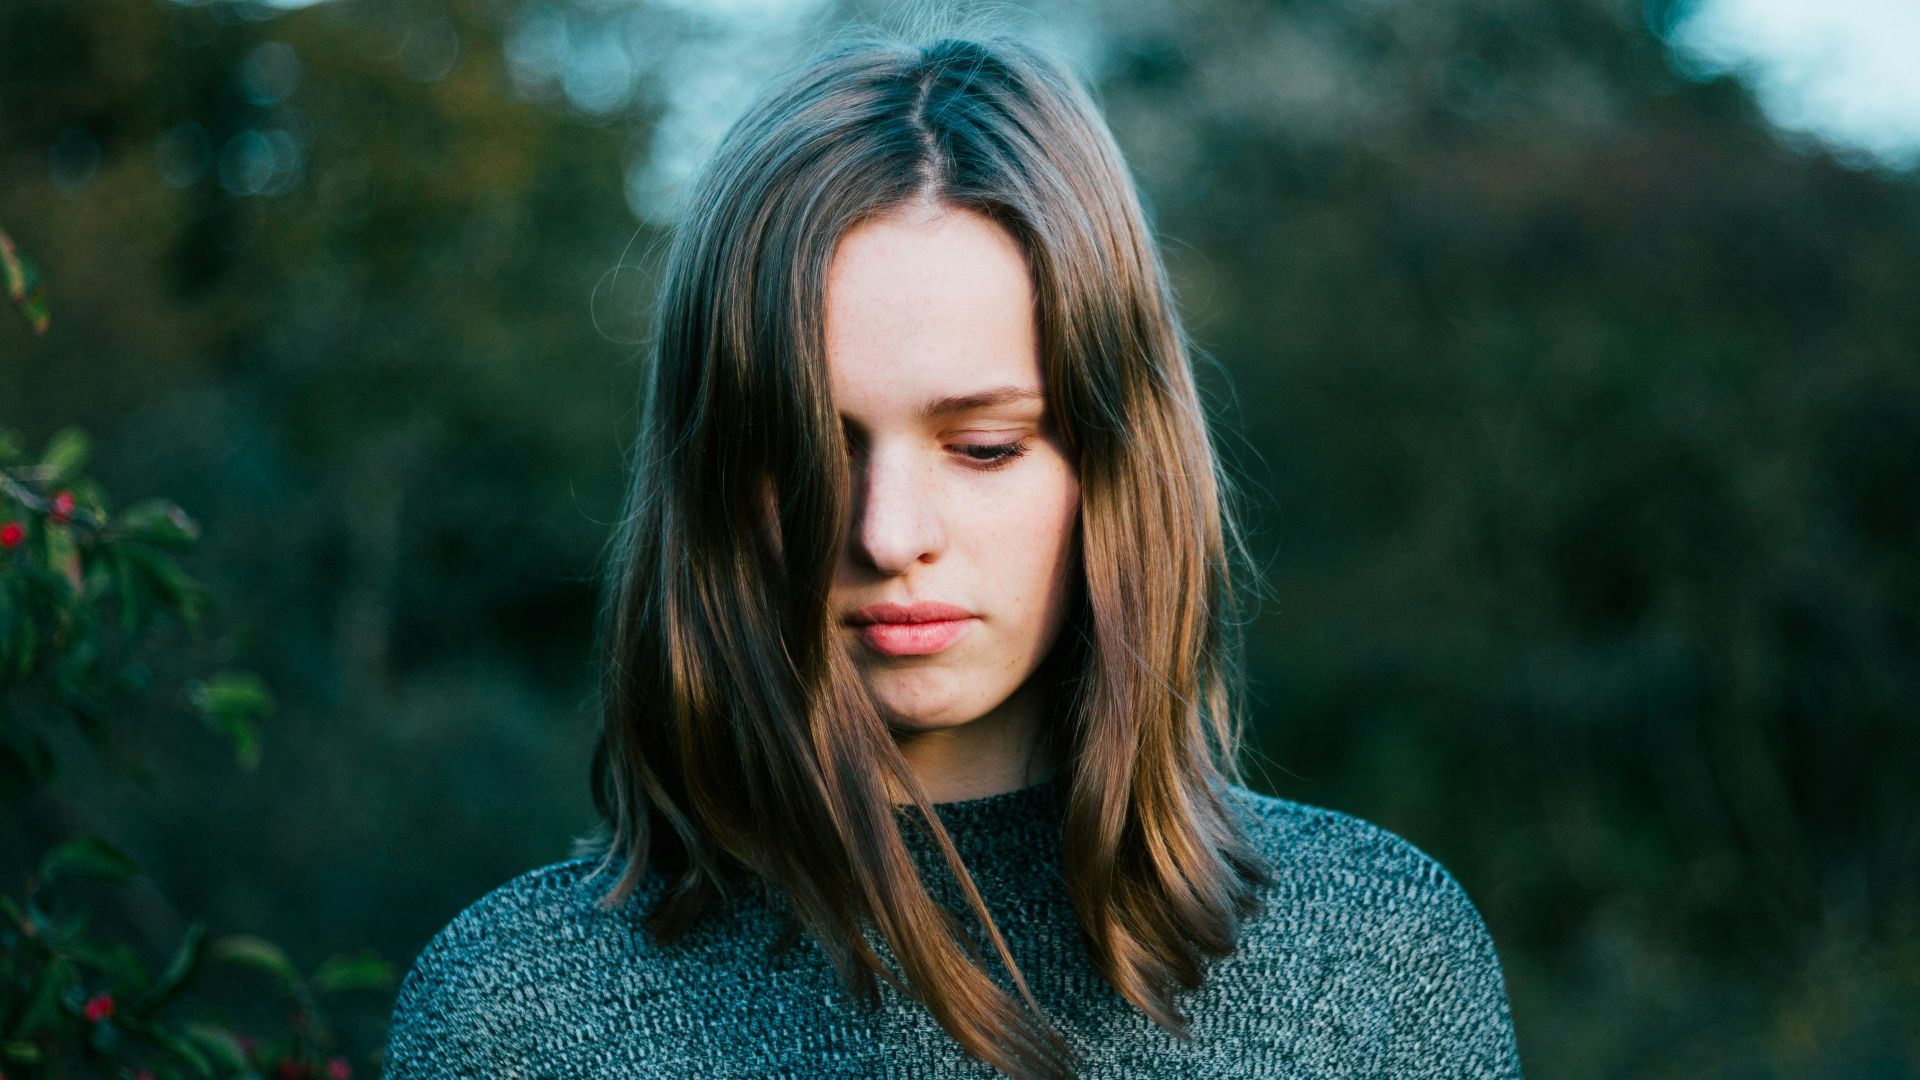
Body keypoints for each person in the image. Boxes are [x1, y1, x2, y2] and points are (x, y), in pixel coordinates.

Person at [382, 29, 1523, 1080]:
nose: (887, 534)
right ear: (715, 483)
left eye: (981, 446)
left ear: (1116, 465)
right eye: (806, 457)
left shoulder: (1372, 963)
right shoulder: (513, 1013)